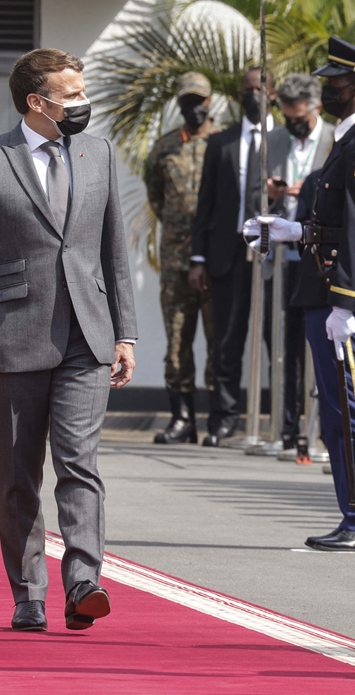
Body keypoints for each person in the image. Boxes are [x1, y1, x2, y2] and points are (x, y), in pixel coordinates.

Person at [0, 48, 138, 632]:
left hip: (87, 333)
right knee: (19, 472)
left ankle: (84, 580)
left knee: (79, 461)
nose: (82, 102)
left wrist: (124, 331)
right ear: (37, 102)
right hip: (12, 335)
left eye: (82, 91)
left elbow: (115, 253)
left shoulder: (97, 152)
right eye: (70, 94)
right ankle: (29, 593)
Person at [243, 37, 355, 552]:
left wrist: (346, 305)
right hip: (323, 288)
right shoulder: (347, 141)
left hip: (339, 297)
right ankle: (352, 514)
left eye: (333, 81)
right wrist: (287, 229)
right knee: (334, 410)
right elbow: (330, 224)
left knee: (352, 408)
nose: (324, 89)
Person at [190, 67, 277, 447]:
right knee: (226, 343)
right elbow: (205, 204)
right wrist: (198, 258)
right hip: (228, 254)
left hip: (275, 256)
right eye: (246, 90)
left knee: (278, 343)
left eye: (259, 89)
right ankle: (223, 421)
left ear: (271, 93)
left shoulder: (288, 139)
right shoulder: (221, 142)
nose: (252, 95)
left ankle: (282, 422)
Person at [145, 72, 217, 445]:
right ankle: (182, 419)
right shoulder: (164, 148)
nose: (194, 108)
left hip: (218, 262)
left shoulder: (226, 144)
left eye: (199, 101)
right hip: (176, 262)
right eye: (187, 102)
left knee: (220, 343)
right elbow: (156, 197)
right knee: (177, 344)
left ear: (210, 102)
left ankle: (220, 420)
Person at [266, 73, 333, 452]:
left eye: (300, 118)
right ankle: (287, 429)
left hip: (319, 257)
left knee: (320, 344)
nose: (294, 124)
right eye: (287, 116)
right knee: (285, 348)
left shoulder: (336, 139)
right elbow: (252, 196)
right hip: (281, 259)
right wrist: (272, 192)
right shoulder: (274, 139)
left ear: (317, 107)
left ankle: (321, 428)